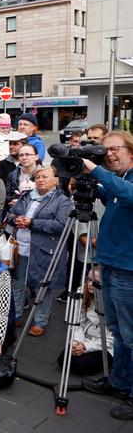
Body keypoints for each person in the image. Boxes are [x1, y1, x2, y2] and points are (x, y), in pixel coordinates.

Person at [80, 130, 133, 419]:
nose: (109, 154)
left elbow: (129, 196)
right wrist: (87, 182)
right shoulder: (121, 179)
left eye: (115, 149)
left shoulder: (129, 181)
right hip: (112, 264)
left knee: (132, 335)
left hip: (128, 269)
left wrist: (95, 169)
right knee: (119, 333)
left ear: (131, 150)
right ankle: (119, 381)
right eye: (106, 150)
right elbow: (113, 195)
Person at [6, 166, 73, 336]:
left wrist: (32, 223)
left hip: (44, 250)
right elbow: (10, 214)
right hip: (20, 248)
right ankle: (17, 315)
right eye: (38, 177)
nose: (40, 179)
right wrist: (17, 219)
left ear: (56, 180)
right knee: (18, 284)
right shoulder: (27, 196)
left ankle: (40, 321)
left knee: (43, 285)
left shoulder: (62, 200)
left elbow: (62, 225)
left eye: (45, 176)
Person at [57, 278, 114, 376]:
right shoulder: (82, 293)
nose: (91, 284)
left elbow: (112, 338)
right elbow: (77, 323)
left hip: (105, 345)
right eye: (89, 279)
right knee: (63, 360)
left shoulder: (112, 301)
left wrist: (86, 347)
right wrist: (78, 343)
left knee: (81, 366)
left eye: (96, 282)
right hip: (86, 339)